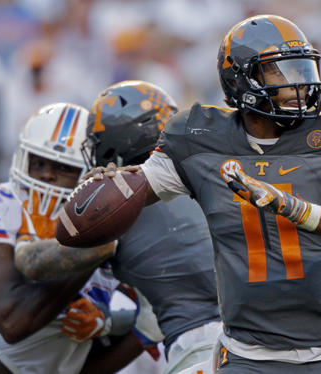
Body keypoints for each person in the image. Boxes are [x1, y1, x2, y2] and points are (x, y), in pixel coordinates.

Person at [82, 15, 321, 373]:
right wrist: (105, 190)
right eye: (282, 72)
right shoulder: (197, 145)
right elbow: (130, 191)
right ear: (242, 79)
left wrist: (294, 208)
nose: (301, 86)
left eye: (302, 70)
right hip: (247, 353)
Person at [15, 80, 222, 374]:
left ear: (114, 143)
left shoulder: (119, 205)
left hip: (204, 349)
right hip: (272, 335)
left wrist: (24, 239)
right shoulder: (211, 173)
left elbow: (35, 264)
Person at [0, 102, 140, 374]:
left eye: (63, 167)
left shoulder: (117, 233)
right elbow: (13, 322)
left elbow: (145, 319)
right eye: (38, 162)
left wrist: (107, 321)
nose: (46, 174)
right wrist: (97, 243)